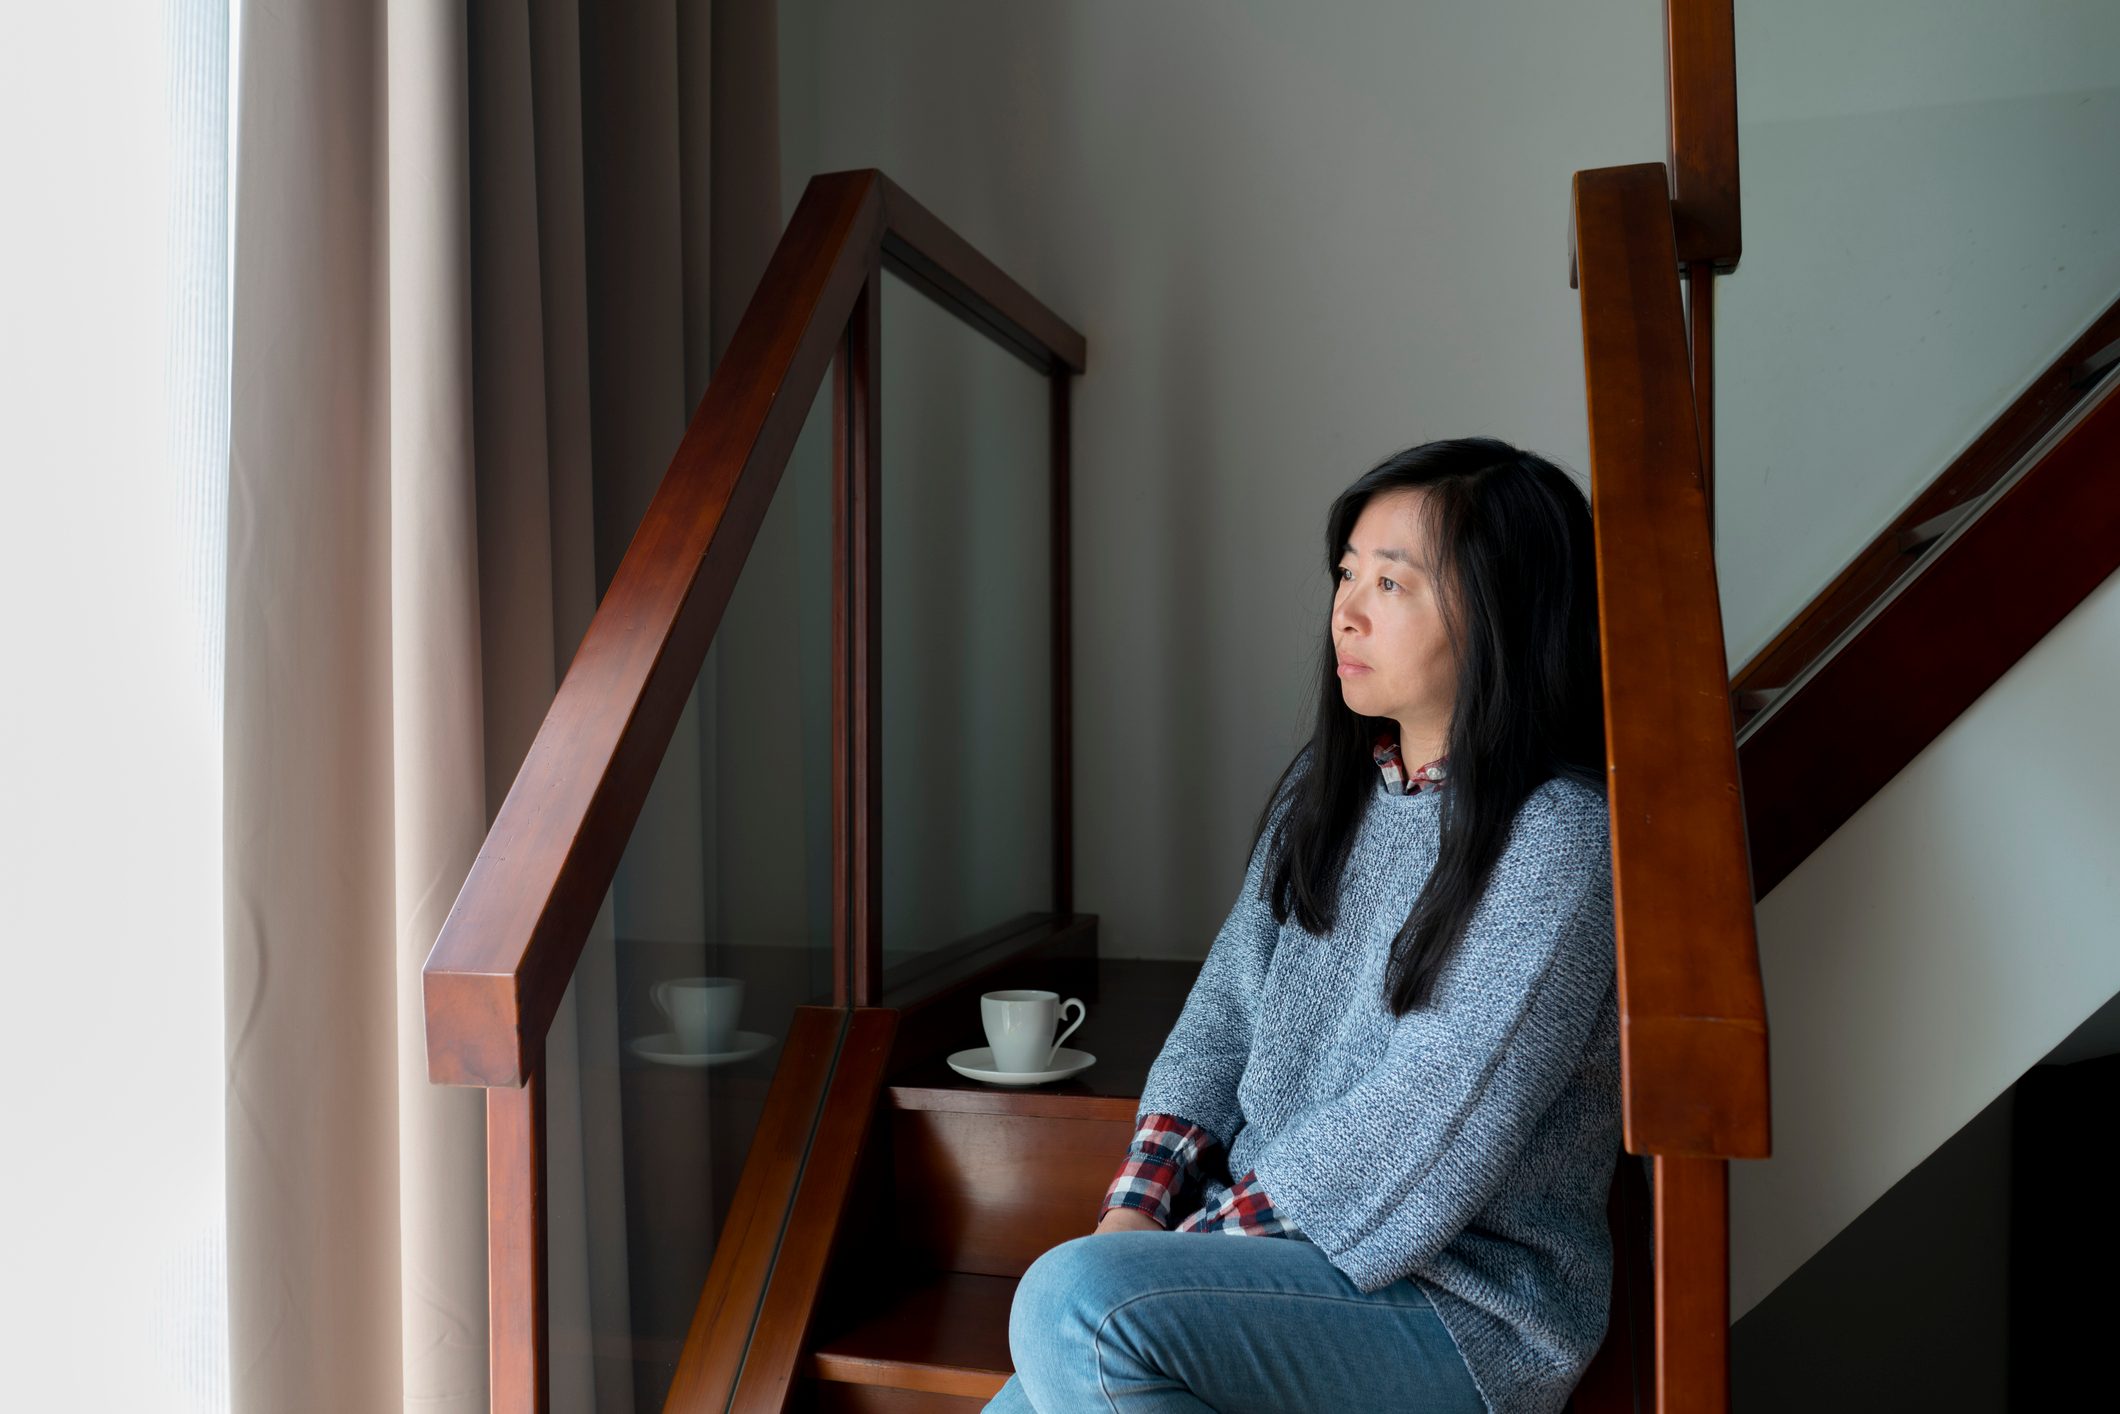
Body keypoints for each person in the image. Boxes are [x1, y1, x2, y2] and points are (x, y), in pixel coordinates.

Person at [981, 438, 1622, 1413]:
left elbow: (1433, 1109)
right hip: (1282, 1259)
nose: (1346, 610)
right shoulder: (1321, 796)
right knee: (1043, 1365)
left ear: (1500, 611)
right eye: (1345, 572)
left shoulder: (1557, 837)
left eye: (1391, 582)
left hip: (1462, 1312)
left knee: (1075, 1308)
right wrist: (1131, 1215)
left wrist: (1180, 1255)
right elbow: (1219, 1023)